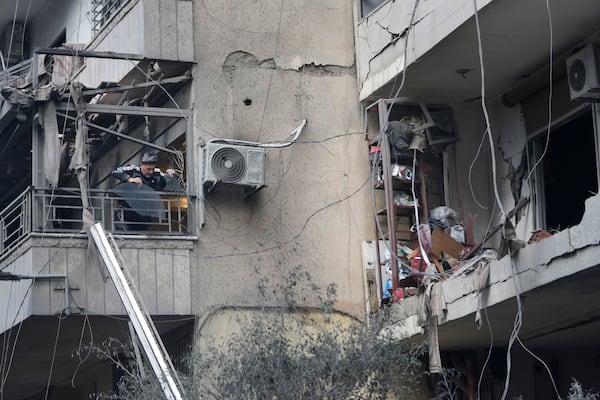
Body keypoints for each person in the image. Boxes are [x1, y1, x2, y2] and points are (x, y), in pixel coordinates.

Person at [111, 151, 176, 231]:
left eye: (152, 169)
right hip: (125, 213)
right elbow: (115, 172)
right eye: (148, 169)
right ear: (142, 165)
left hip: (143, 215)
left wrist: (170, 176)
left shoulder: (157, 174)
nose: (151, 172)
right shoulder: (133, 170)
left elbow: (169, 185)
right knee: (123, 235)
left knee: (141, 235)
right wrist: (129, 178)